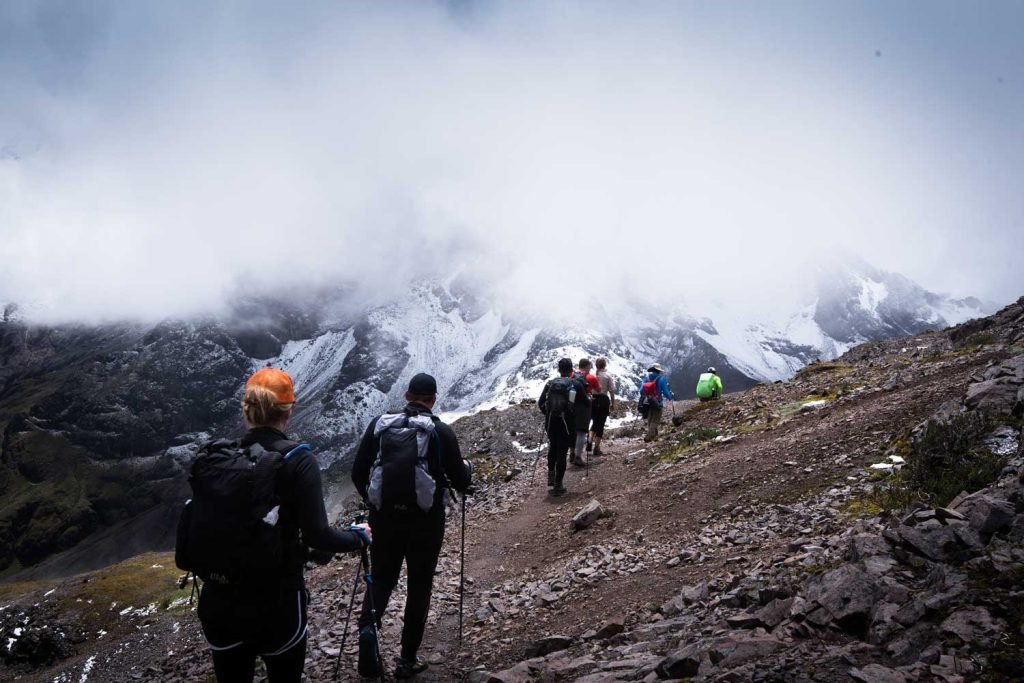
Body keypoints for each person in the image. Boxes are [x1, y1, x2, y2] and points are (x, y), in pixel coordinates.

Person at [196, 368, 372, 683]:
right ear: (289, 411)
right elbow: (319, 535)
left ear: (246, 408)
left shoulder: (219, 458)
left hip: (219, 601)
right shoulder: (298, 459)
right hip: (276, 602)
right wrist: (357, 538)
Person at [351, 373, 473, 679]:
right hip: (425, 522)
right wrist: (466, 471)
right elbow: (460, 479)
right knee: (419, 586)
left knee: (381, 579)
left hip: (384, 518)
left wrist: (374, 501)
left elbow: (357, 471)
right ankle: (406, 660)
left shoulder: (380, 426)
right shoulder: (440, 431)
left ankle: (368, 631)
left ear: (407, 395)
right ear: (433, 399)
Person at [538, 358, 576, 496]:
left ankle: (551, 474)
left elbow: (541, 402)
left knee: (553, 446)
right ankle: (558, 483)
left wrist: (548, 413)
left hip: (550, 422)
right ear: (571, 370)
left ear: (559, 370)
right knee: (562, 451)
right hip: (565, 423)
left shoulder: (550, 384)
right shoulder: (572, 384)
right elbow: (576, 405)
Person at [571, 358, 599, 466]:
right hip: (583, 407)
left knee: (573, 432)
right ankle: (578, 456)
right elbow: (597, 390)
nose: (590, 368)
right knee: (581, 432)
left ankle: (572, 453)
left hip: (572, 406)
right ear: (587, 366)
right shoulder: (588, 377)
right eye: (590, 366)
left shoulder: (572, 375)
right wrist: (589, 400)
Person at [640, 363, 674, 442]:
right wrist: (670, 397)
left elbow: (641, 391)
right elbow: (665, 391)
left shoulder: (646, 378)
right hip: (657, 401)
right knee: (655, 420)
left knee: (650, 419)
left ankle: (654, 436)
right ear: (658, 371)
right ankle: (648, 437)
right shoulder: (661, 379)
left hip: (647, 402)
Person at [589, 357, 616, 456]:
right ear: (605, 365)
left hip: (593, 400)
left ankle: (589, 440)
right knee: (601, 424)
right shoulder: (608, 376)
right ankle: (596, 447)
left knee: (595, 422)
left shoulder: (593, 376)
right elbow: (612, 391)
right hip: (604, 400)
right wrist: (613, 404)